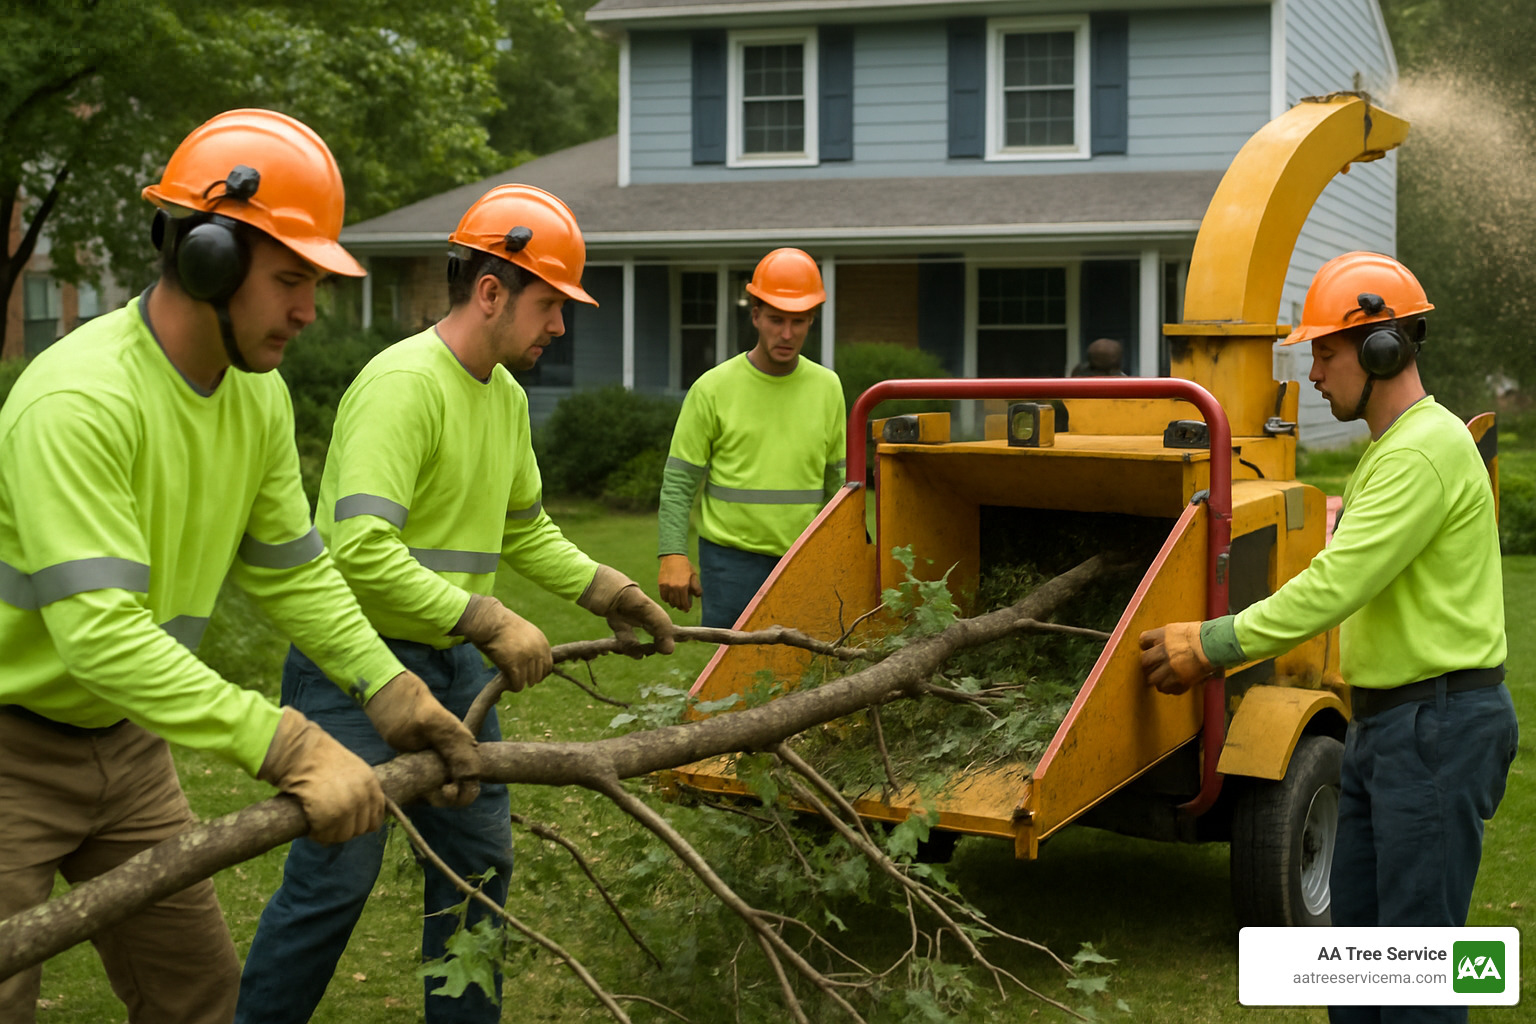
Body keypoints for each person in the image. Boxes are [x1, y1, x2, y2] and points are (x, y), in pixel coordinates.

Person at [0, 109, 480, 1024]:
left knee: (199, 996)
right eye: (291, 278)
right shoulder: (77, 402)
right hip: (8, 752)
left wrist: (390, 689)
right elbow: (100, 635)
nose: (309, 309)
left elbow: (294, 569)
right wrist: (289, 742)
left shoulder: (256, 394)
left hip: (129, 749)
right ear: (207, 259)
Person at [237, 183, 676, 1024]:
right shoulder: (402, 386)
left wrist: (609, 590)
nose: (559, 326)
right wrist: (488, 618)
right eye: (550, 304)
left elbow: (528, 530)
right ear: (490, 291)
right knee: (335, 883)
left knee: (479, 874)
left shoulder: (504, 398)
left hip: (456, 673)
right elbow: (361, 551)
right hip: (359, 671)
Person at [1139, 252, 1517, 1024]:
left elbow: (1331, 589)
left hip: (1434, 729)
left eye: (1325, 351)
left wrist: (1208, 645)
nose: (1312, 374)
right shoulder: (1396, 451)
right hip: (1390, 724)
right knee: (1355, 964)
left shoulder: (1419, 450)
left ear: (1384, 348)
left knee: (1413, 976)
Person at [656, 248, 846, 628]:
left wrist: (843, 549)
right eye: (776, 319)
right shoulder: (712, 388)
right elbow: (679, 482)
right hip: (729, 561)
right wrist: (672, 554)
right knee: (729, 678)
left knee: (802, 675)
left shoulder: (828, 388)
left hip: (803, 556)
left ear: (812, 319)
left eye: (799, 321)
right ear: (756, 315)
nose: (787, 334)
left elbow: (839, 485)